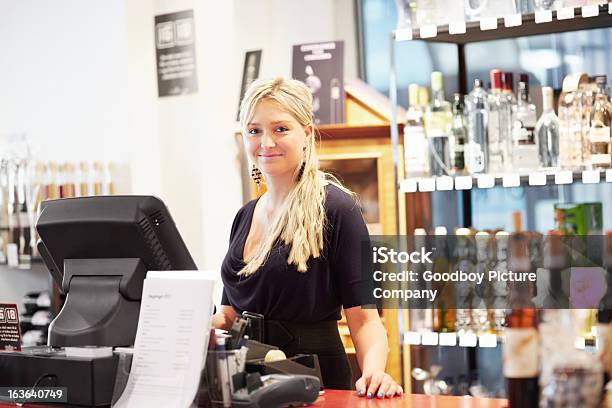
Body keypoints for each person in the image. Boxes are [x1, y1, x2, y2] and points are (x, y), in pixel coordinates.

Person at [212, 77, 402, 399]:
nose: (266, 143)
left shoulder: (337, 209)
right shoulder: (244, 216)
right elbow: (230, 314)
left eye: (280, 129)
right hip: (248, 380)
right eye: (254, 131)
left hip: (313, 382)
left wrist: (374, 373)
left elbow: (365, 319)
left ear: (307, 134)